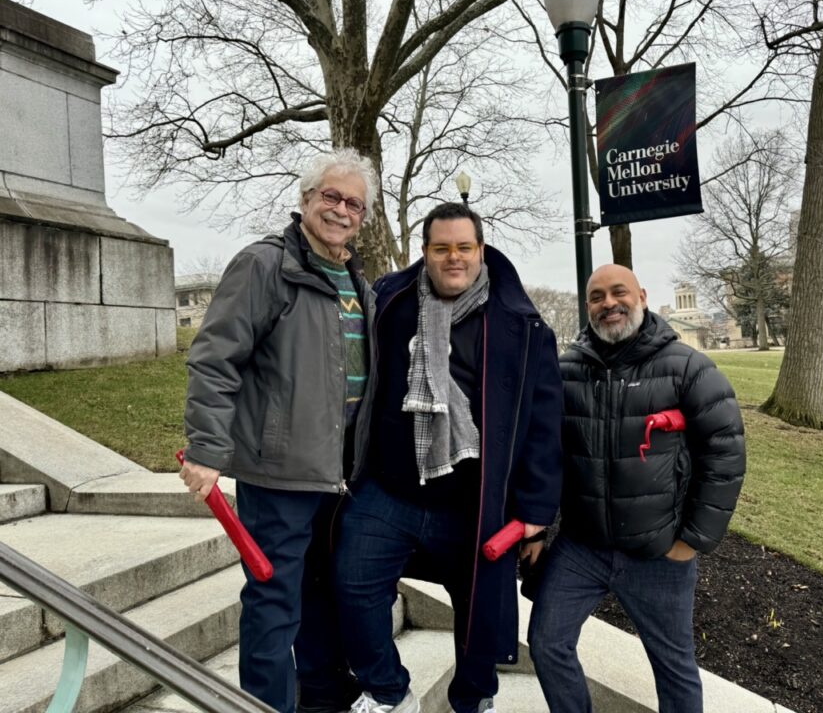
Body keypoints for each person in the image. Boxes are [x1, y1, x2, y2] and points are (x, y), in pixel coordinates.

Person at [336, 203, 563, 713]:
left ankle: (473, 701)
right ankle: (389, 693)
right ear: (425, 253)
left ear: (481, 251)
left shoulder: (522, 326)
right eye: (442, 248)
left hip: (476, 503)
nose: (453, 258)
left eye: (464, 247)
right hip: (390, 489)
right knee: (351, 581)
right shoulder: (390, 303)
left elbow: (544, 426)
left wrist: (536, 513)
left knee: (479, 614)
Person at [179, 148, 377, 713]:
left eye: (354, 204)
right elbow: (215, 360)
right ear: (306, 199)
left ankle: (319, 700)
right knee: (273, 604)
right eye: (331, 197)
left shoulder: (355, 278)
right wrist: (207, 449)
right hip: (279, 472)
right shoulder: (265, 265)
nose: (341, 210)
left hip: (338, 474)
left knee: (321, 598)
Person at [528, 264, 746, 713]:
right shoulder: (565, 371)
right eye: (596, 296)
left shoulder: (688, 368)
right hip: (581, 548)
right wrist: (533, 528)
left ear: (641, 296)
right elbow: (541, 453)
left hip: (658, 550)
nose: (608, 303)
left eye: (618, 292)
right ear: (587, 306)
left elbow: (725, 456)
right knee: (547, 642)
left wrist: (692, 541)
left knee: (674, 667)